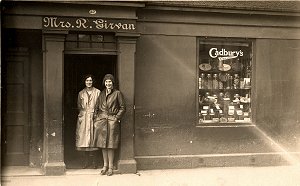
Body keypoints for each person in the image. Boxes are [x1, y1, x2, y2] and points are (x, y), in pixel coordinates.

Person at [93, 74, 126, 176]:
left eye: (110, 82)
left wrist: (116, 118)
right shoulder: (101, 94)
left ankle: (111, 167)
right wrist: (96, 118)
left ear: (113, 83)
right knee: (103, 144)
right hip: (101, 121)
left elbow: (122, 107)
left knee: (111, 145)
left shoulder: (117, 93)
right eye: (106, 82)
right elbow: (96, 107)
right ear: (104, 83)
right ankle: (105, 166)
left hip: (112, 121)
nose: (108, 84)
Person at [76, 74, 100, 169]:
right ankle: (86, 161)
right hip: (84, 117)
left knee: (94, 138)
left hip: (94, 117)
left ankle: (94, 162)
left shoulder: (98, 92)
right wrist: (82, 115)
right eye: (87, 81)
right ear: (84, 82)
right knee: (84, 140)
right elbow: (79, 106)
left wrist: (95, 114)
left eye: (90, 80)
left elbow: (100, 105)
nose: (89, 82)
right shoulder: (81, 93)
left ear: (93, 81)